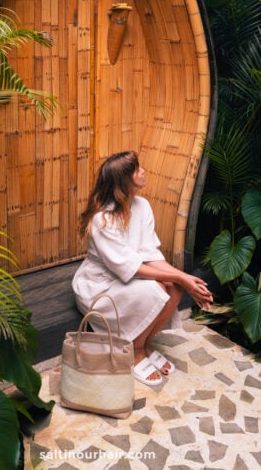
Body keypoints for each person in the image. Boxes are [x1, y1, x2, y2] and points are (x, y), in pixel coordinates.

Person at [72, 151, 213, 387]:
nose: (143, 171)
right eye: (137, 170)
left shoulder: (143, 206)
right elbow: (129, 266)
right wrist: (181, 276)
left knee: (174, 287)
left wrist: (183, 278)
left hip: (130, 276)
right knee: (157, 289)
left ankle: (146, 345)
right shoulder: (102, 219)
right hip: (99, 285)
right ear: (124, 181)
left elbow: (150, 254)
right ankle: (135, 352)